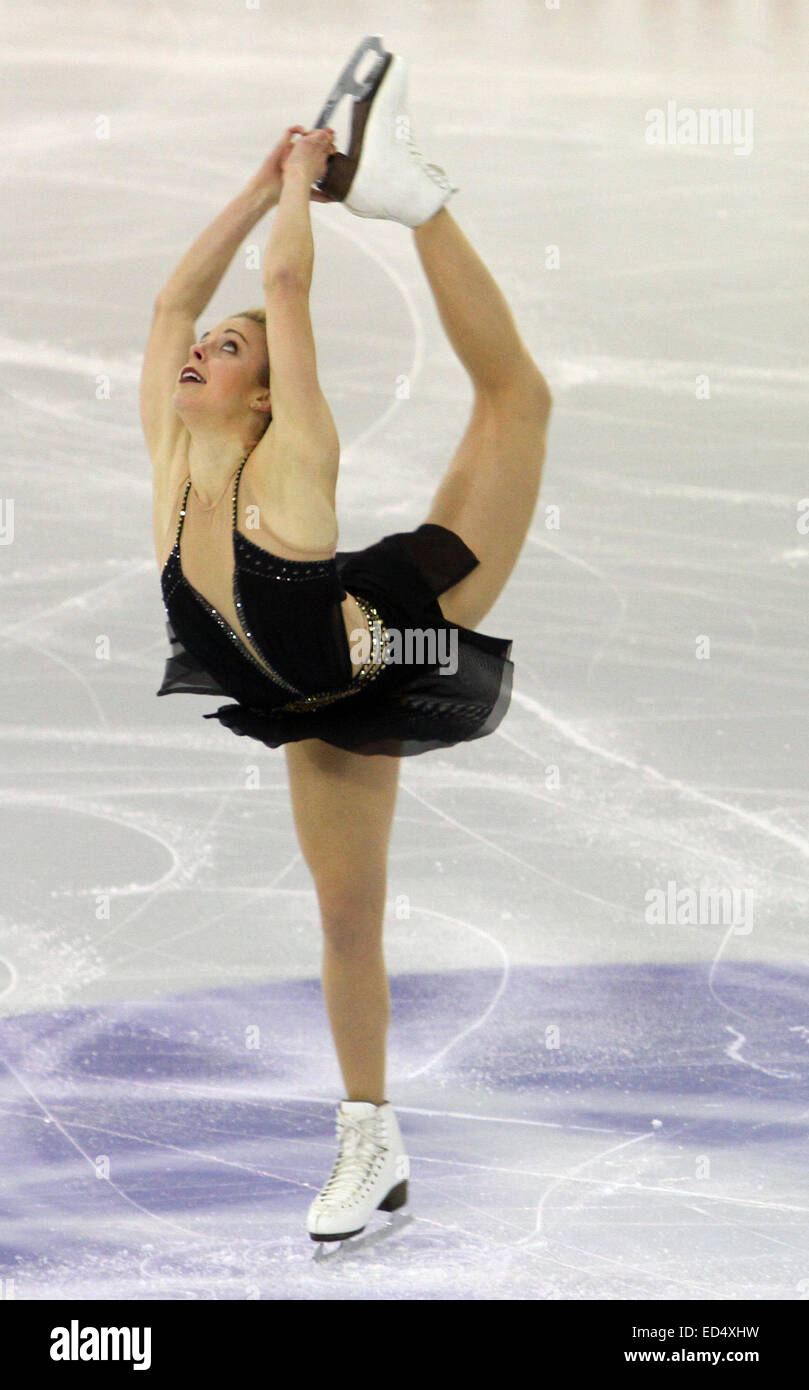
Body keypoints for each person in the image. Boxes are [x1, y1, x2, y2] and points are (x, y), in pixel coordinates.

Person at [140, 49, 552, 1242]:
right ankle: (369, 1144)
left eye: (229, 351)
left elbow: (282, 281)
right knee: (347, 923)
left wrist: (304, 187)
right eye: (207, 345)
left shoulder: (291, 452)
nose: (199, 350)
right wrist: (263, 172)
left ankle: (418, 202)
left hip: (406, 635)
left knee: (514, 402)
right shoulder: (171, 472)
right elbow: (174, 299)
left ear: (268, 398)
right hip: (317, 700)